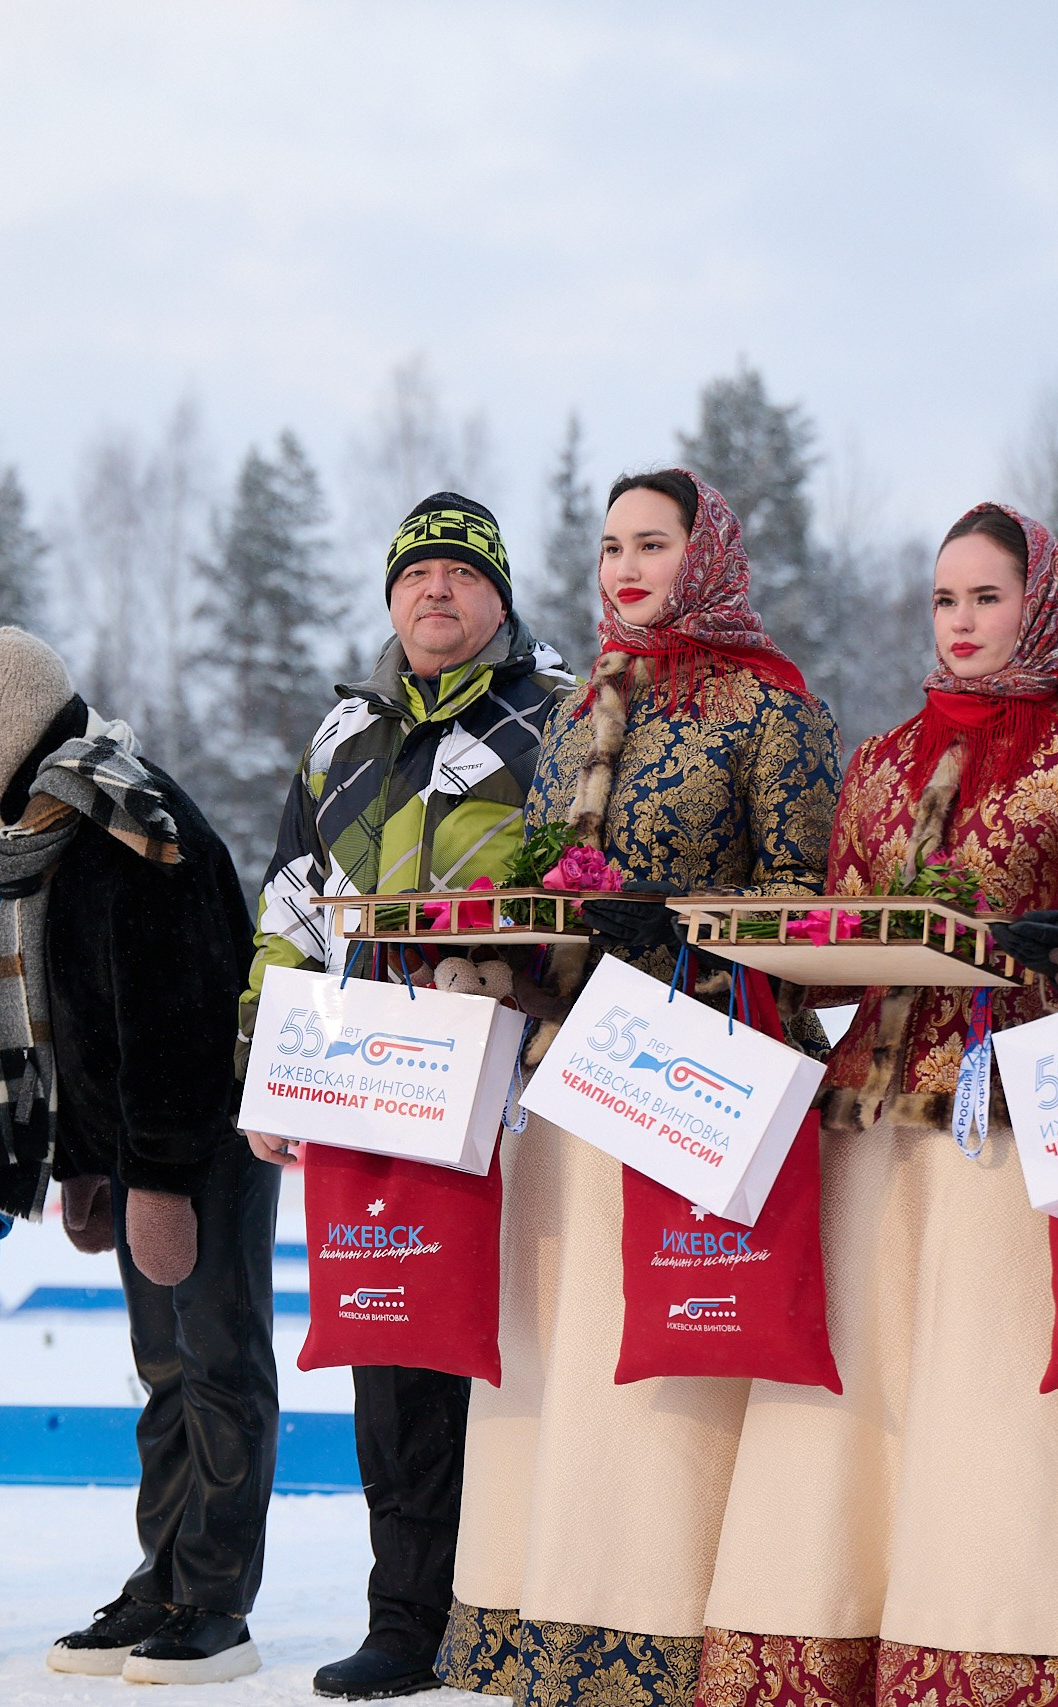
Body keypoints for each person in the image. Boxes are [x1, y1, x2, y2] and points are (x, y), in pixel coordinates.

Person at [694, 505, 1058, 1707]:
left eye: (987, 596)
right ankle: (833, 1642)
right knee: (859, 1397)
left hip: (1020, 1126)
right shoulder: (875, 762)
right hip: (874, 1122)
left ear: (1044, 602)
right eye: (944, 600)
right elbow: (844, 934)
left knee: (1003, 1390)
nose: (963, 622)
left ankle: (1030, 1642)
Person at [438, 470, 841, 1707]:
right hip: (565, 1077)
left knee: (661, 1365)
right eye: (610, 544)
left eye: (651, 544)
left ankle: (656, 1626)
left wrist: (669, 921)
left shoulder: (774, 709)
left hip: (692, 1077)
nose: (624, 567)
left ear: (703, 555)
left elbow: (808, 903)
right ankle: (545, 1615)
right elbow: (539, 876)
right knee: (559, 1352)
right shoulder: (572, 715)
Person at [240, 492, 579, 1699]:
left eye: (460, 572)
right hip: (368, 1077)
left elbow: (590, 893)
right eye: (415, 573)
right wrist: (262, 1058)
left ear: (499, 595)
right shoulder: (341, 733)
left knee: (526, 1349)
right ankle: (406, 1615)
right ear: (390, 597)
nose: (436, 591)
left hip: (520, 1085)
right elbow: (288, 900)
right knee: (392, 1348)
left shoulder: (562, 717)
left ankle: (526, 1605)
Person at [0, 624, 268, 1686]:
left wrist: (158, 1177)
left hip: (197, 1145)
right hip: (134, 1154)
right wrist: (81, 1159)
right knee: (163, 1370)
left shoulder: (128, 826)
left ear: (12, 728)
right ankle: (163, 1577)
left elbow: (178, 1019)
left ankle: (216, 1602)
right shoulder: (46, 831)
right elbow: (78, 1023)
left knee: (217, 1367)